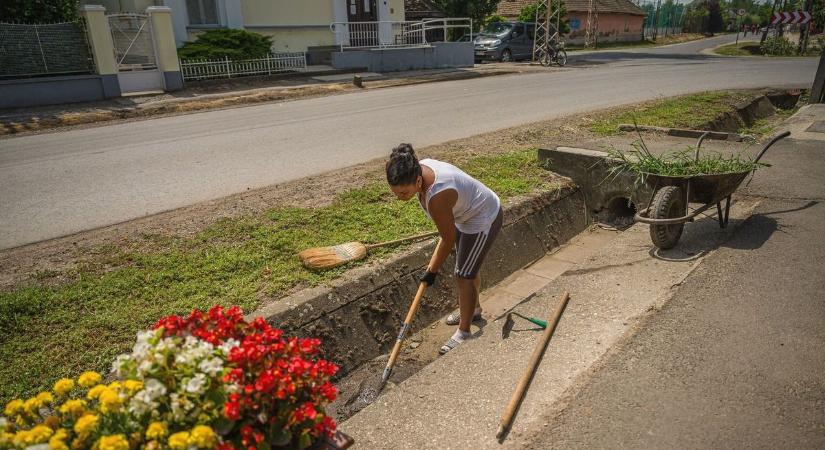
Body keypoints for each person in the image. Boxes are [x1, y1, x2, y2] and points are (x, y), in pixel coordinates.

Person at [385, 143, 503, 354]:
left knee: (464, 274)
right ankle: (473, 310)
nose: (400, 197)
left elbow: (448, 239)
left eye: (403, 193)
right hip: (463, 215)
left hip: (482, 217)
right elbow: (447, 233)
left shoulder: (438, 194)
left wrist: (431, 272)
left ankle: (464, 332)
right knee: (468, 268)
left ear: (418, 180)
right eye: (396, 193)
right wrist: (431, 270)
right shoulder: (414, 168)